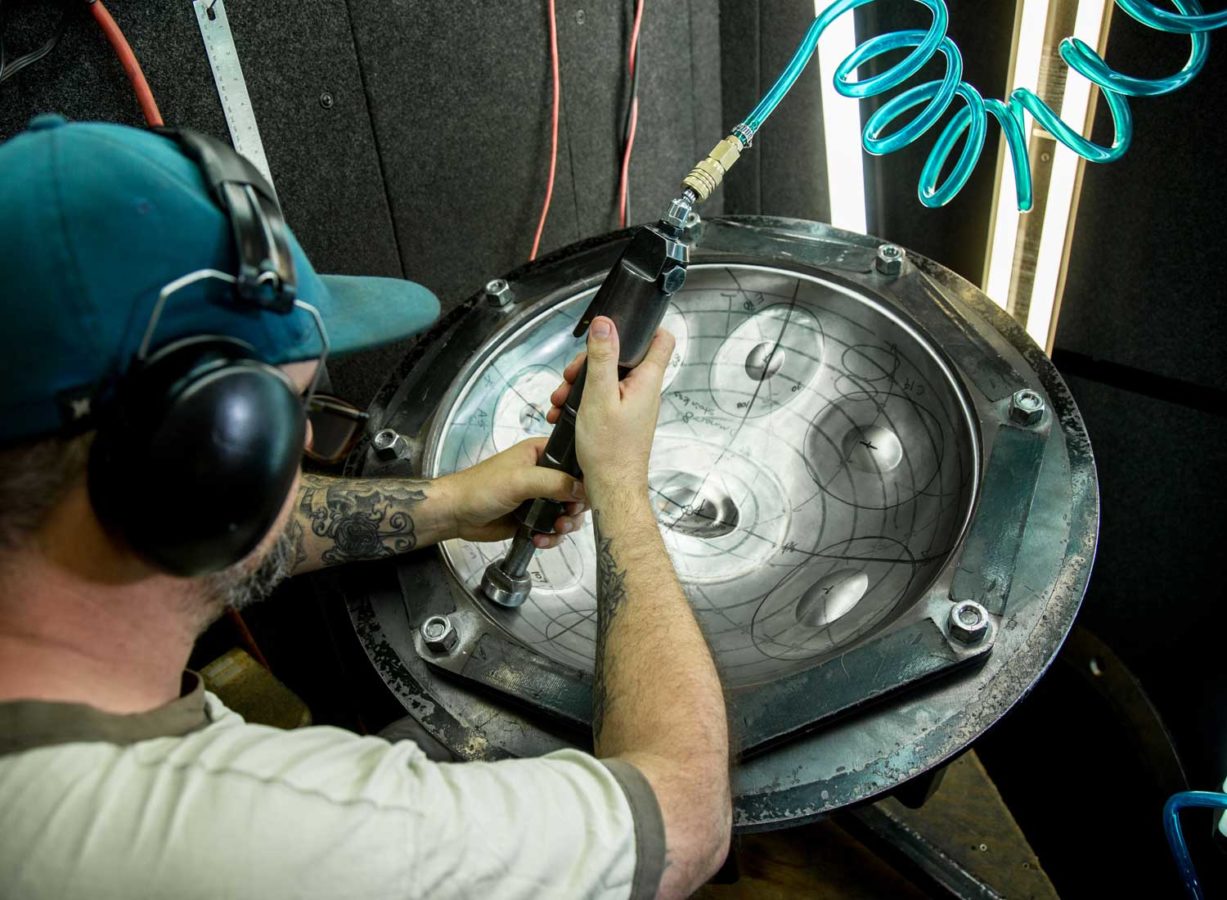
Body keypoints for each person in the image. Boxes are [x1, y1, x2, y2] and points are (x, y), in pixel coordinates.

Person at [0, 117, 730, 899]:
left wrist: (447, 504)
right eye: (292, 409)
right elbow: (684, 820)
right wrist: (619, 480)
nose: (309, 435)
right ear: (208, 468)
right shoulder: (251, 834)